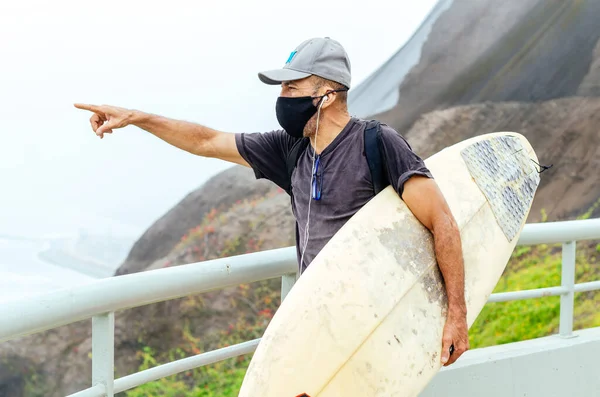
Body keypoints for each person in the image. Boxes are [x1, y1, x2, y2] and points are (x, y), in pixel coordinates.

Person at [74, 37, 469, 366]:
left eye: (292, 89)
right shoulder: (290, 148)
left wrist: (456, 316)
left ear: (327, 95)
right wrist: (138, 117)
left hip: (379, 319)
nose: (282, 99)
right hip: (317, 318)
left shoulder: (377, 144)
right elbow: (207, 141)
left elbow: (442, 222)